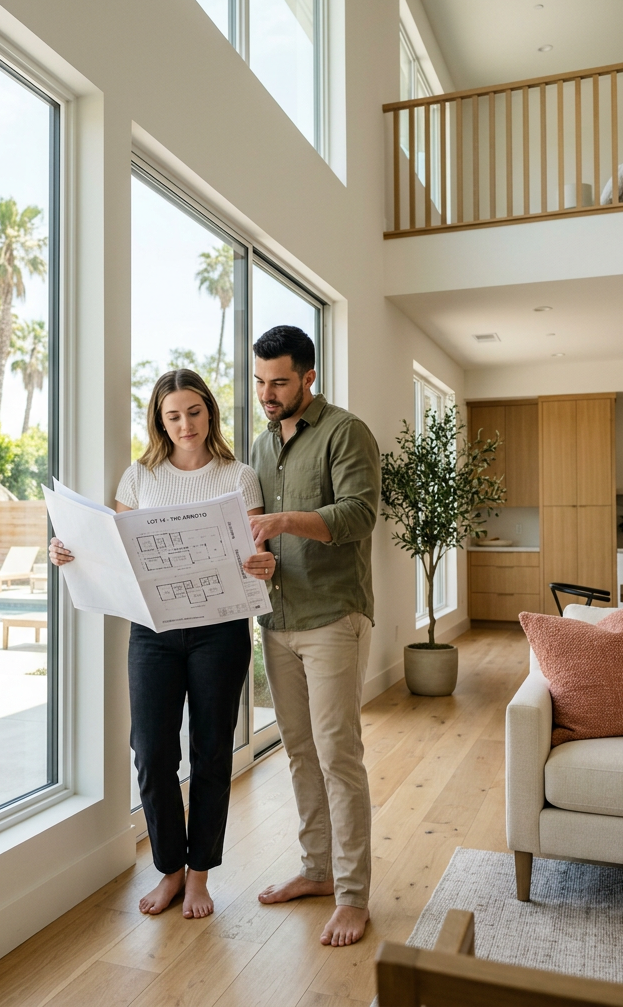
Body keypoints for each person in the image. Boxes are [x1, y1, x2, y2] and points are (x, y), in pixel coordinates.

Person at [48, 369, 275, 919]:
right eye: (173, 415)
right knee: (150, 750)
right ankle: (170, 868)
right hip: (152, 633)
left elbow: (252, 558)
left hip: (219, 632)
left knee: (211, 751)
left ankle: (200, 876)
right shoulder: (138, 478)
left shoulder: (240, 477)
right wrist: (68, 550)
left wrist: (264, 564)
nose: (185, 424)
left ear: (210, 413)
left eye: (194, 412)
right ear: (158, 420)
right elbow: (116, 554)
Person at [248, 325, 380, 948]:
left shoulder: (345, 432)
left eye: (278, 381)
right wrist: (261, 554)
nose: (267, 394)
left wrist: (282, 521)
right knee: (298, 754)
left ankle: (353, 896)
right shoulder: (259, 446)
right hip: (277, 621)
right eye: (259, 382)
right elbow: (259, 538)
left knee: (337, 757)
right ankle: (317, 871)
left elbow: (359, 514)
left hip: (333, 618)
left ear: (308, 377)